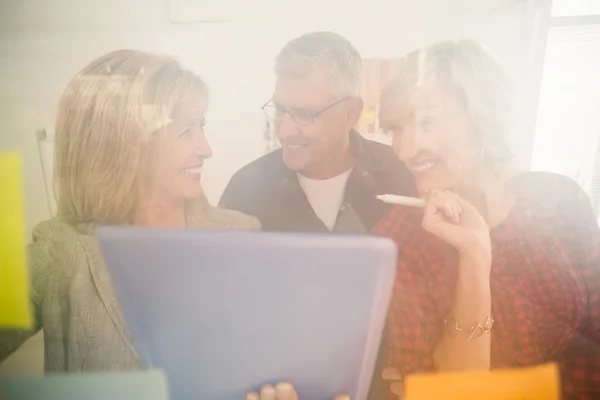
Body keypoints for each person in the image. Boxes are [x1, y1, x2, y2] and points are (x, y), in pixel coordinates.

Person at [0, 49, 259, 371]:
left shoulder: (242, 235)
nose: (206, 149)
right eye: (185, 132)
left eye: (201, 127)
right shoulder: (60, 251)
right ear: (126, 144)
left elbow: (264, 363)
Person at [370, 40, 600, 399]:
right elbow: (454, 392)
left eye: (426, 122)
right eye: (395, 129)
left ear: (482, 119)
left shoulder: (560, 199)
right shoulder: (397, 238)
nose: (405, 149)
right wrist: (475, 253)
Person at [219, 31, 415, 233]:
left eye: (304, 114)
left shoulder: (404, 176)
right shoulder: (245, 190)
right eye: (279, 109)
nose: (285, 130)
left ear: (350, 114)